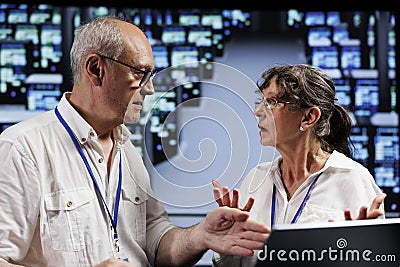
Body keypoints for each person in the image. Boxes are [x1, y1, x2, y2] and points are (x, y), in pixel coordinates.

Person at [0, 16, 270, 267]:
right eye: (140, 73)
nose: (150, 88)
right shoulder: (24, 150)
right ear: (96, 69)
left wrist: (200, 236)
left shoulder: (126, 149)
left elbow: (155, 243)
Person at [211, 64, 386, 267]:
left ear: (308, 117)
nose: (257, 112)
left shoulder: (352, 179)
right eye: (261, 102)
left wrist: (368, 252)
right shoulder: (256, 179)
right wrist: (228, 246)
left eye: (271, 103)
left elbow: (374, 261)